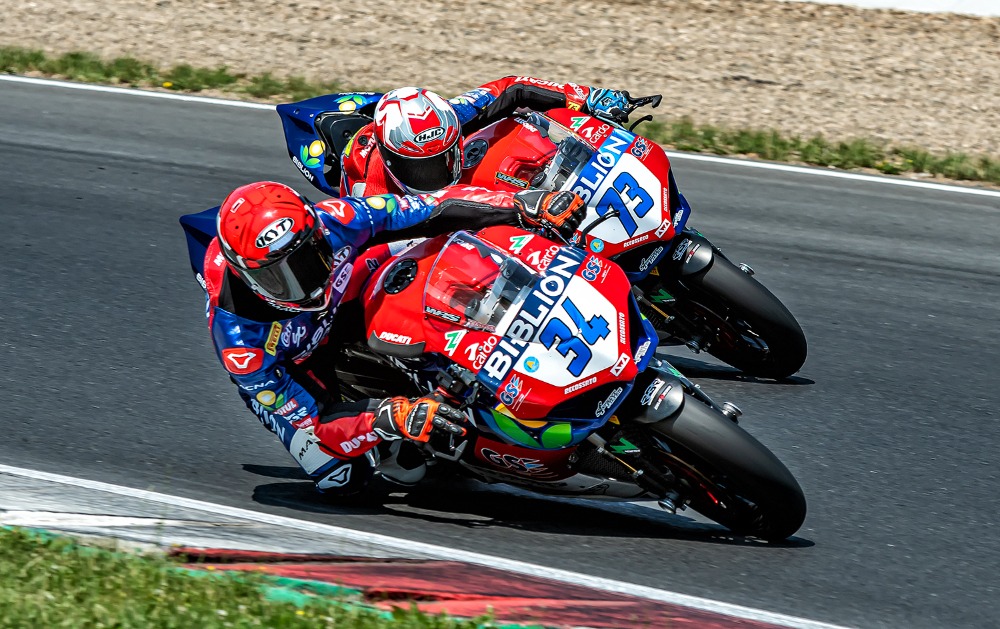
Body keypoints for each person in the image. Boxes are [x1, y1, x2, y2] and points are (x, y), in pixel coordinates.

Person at [195, 180, 585, 495]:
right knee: (341, 477)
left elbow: (428, 207)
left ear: (316, 233)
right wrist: (390, 417)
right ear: (247, 277)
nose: (305, 284)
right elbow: (317, 423)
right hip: (302, 364)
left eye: (309, 257)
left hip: (351, 295)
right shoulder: (241, 344)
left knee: (443, 241)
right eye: (278, 277)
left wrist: (519, 204)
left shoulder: (334, 220)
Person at [341, 77, 644, 196]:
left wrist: (588, 97)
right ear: (391, 161)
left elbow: (514, 88)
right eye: (420, 167)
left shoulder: (452, 115)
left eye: (445, 158)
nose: (435, 175)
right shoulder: (372, 195)